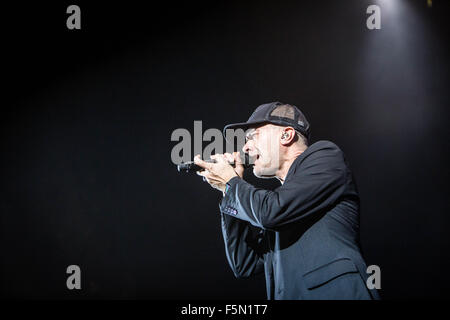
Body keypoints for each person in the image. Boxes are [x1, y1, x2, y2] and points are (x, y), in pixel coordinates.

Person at [194, 102, 380, 300]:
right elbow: (244, 263)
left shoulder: (326, 156)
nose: (245, 147)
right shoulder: (282, 202)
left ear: (286, 135)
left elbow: (271, 212)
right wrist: (228, 190)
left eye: (252, 136)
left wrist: (232, 183)